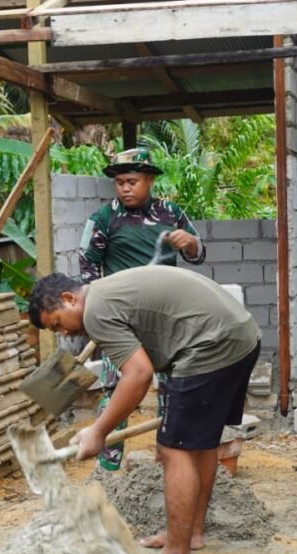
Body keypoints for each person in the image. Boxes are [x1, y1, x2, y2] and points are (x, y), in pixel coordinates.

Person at [28, 266, 261, 554]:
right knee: (199, 443)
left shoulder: (97, 311)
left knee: (173, 450)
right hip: (239, 336)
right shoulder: (106, 295)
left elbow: (138, 375)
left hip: (210, 345)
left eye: (58, 324)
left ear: (69, 298)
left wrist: (98, 430)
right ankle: (190, 535)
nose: (65, 333)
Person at [79, 147, 206, 472]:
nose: (125, 188)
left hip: (166, 321)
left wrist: (190, 243)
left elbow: (199, 251)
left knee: (173, 388)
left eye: (132, 181)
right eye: (120, 182)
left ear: (149, 180)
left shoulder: (171, 213)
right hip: (120, 321)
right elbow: (88, 268)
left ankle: (171, 461)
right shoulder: (103, 219)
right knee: (116, 392)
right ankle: (107, 468)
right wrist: (98, 311)